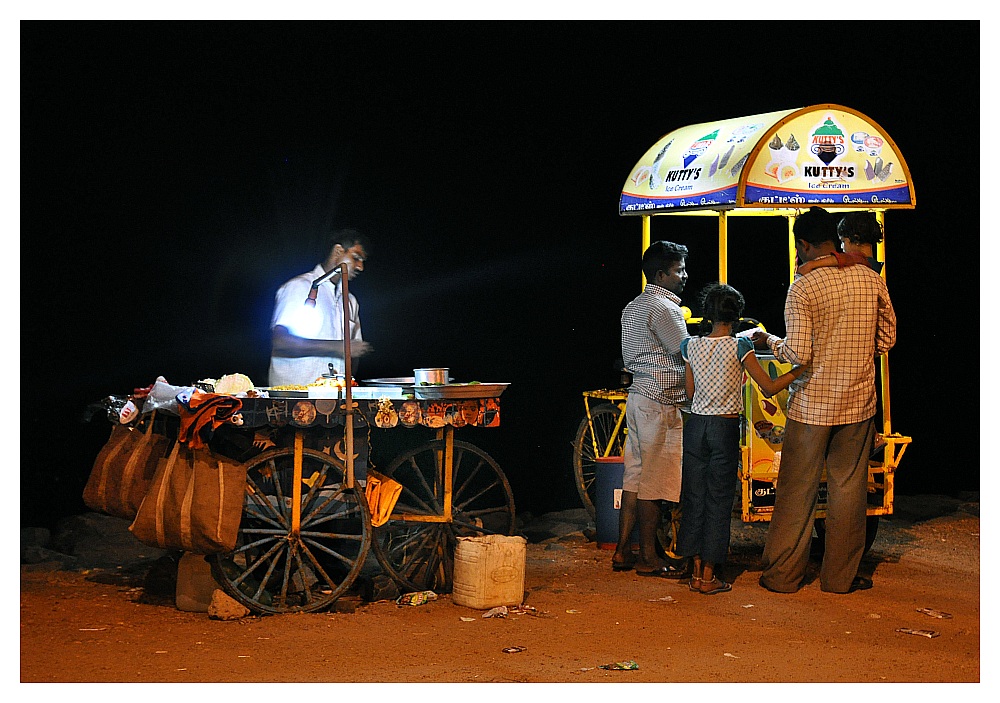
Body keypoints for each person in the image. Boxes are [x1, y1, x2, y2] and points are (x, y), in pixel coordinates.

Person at [753, 207, 896, 595]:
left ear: (802, 244)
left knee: (796, 491)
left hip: (812, 404)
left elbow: (798, 352)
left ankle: (782, 577)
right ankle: (839, 579)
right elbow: (887, 340)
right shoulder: (871, 279)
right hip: (858, 403)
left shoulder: (803, 287)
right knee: (848, 490)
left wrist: (769, 342)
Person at [678, 283, 803, 595]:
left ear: (707, 314)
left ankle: (694, 573)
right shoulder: (739, 347)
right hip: (723, 428)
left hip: (696, 428)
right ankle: (709, 577)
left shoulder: (688, 346)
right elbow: (770, 387)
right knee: (719, 500)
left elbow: (691, 394)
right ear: (735, 316)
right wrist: (799, 370)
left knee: (694, 498)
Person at [614, 240, 690, 578]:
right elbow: (685, 350)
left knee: (635, 476)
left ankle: (622, 552)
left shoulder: (632, 306)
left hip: (639, 397)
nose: (684, 276)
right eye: (679, 271)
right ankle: (648, 556)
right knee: (656, 483)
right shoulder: (664, 309)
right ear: (661, 274)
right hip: (661, 400)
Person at [268, 228, 373, 387]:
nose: (360, 267)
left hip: (336, 398)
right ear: (338, 251)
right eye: (356, 258)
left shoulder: (350, 301)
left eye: (363, 261)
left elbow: (354, 353)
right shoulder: (300, 287)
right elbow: (281, 342)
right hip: (296, 398)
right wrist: (339, 347)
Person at [796, 211, 883, 276]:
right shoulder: (875, 265)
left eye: (843, 241)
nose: (842, 247)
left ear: (856, 239)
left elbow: (846, 259)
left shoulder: (862, 265)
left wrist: (812, 264)